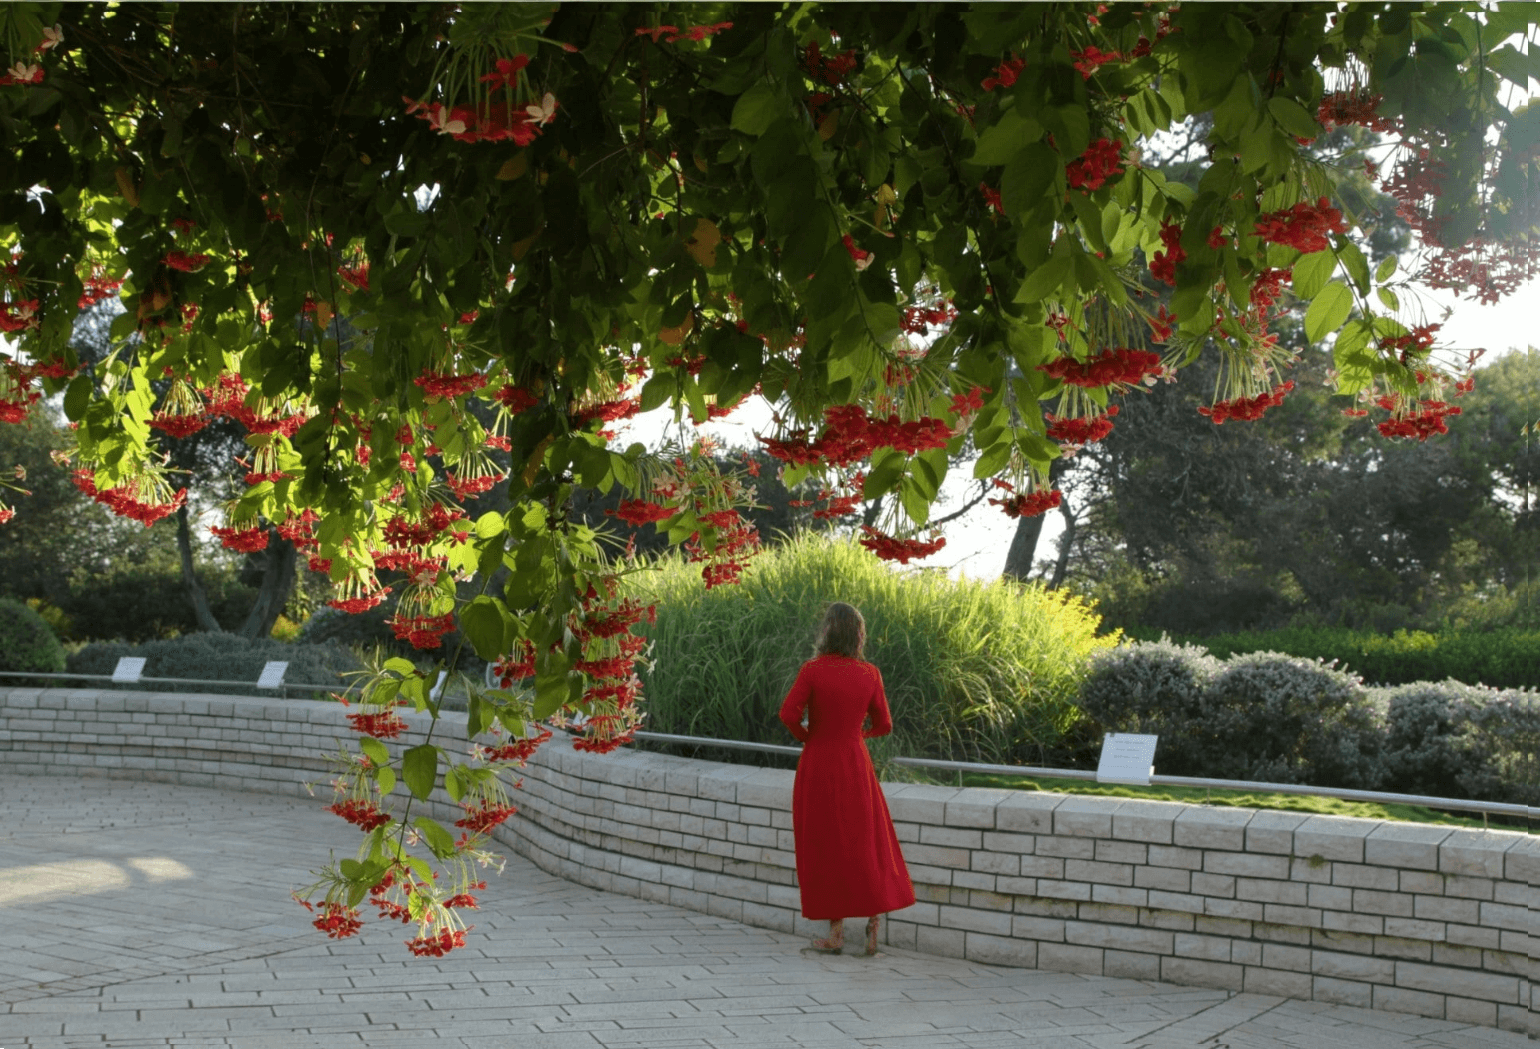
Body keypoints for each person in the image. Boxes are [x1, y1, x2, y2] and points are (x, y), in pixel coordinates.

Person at [777, 601, 915, 956]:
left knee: (827, 844)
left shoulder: (812, 670)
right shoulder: (870, 673)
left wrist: (808, 736)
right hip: (856, 764)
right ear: (858, 635)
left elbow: (788, 713)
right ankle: (873, 922)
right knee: (864, 841)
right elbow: (884, 725)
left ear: (827, 631)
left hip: (820, 764)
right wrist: (856, 738)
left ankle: (835, 935)